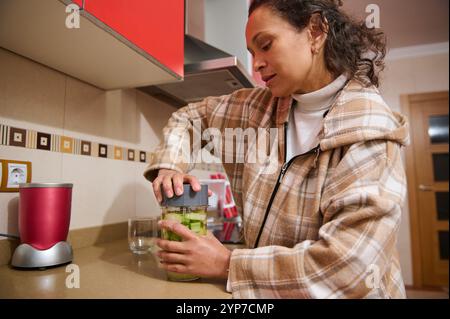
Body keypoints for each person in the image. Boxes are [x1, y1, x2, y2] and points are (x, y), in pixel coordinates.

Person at [144, 0, 409, 299]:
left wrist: (227, 264)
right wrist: (170, 164)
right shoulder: (258, 109)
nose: (256, 63)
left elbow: (348, 268)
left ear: (316, 31)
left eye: (266, 45)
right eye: (252, 53)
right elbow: (189, 118)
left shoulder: (371, 131)